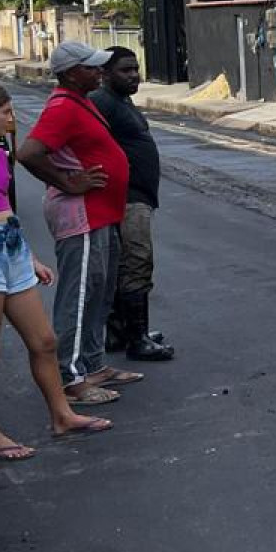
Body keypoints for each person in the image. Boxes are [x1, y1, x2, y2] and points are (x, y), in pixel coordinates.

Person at [0, 80, 113, 459]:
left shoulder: (0, 154)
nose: (11, 119)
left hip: (11, 249)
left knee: (44, 341)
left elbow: (5, 208)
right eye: (4, 112)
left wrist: (30, 258)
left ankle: (62, 415)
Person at [16, 42, 135, 406]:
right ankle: (71, 377)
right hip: (80, 212)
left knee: (100, 290)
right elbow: (28, 153)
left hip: (101, 211)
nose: (99, 72)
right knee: (79, 294)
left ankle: (93, 363)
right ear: (71, 73)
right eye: (91, 67)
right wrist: (67, 182)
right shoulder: (62, 107)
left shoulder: (81, 101)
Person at [92, 48, 175, 363]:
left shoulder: (120, 101)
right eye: (125, 70)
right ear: (106, 73)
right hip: (127, 198)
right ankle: (137, 338)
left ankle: (121, 332)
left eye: (135, 68)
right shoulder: (102, 102)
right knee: (137, 262)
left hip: (136, 195)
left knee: (124, 264)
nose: (133, 75)